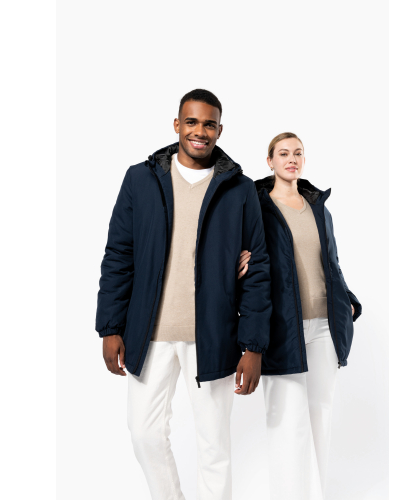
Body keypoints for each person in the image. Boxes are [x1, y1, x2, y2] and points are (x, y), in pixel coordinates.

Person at [95, 89, 272, 500]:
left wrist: (254, 346)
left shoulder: (240, 189)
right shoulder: (140, 179)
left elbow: (258, 270)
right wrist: (110, 326)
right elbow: (119, 254)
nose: (200, 131)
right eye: (191, 122)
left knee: (214, 446)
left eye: (209, 124)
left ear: (220, 130)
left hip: (213, 334)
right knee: (143, 432)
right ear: (177, 125)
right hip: (149, 334)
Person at [252, 132, 362, 500]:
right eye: (283, 153)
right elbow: (238, 251)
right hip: (283, 326)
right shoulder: (257, 207)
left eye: (297, 153)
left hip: (325, 326)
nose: (291, 159)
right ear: (270, 161)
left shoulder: (318, 207)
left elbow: (330, 262)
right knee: (286, 421)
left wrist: (346, 300)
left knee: (319, 417)